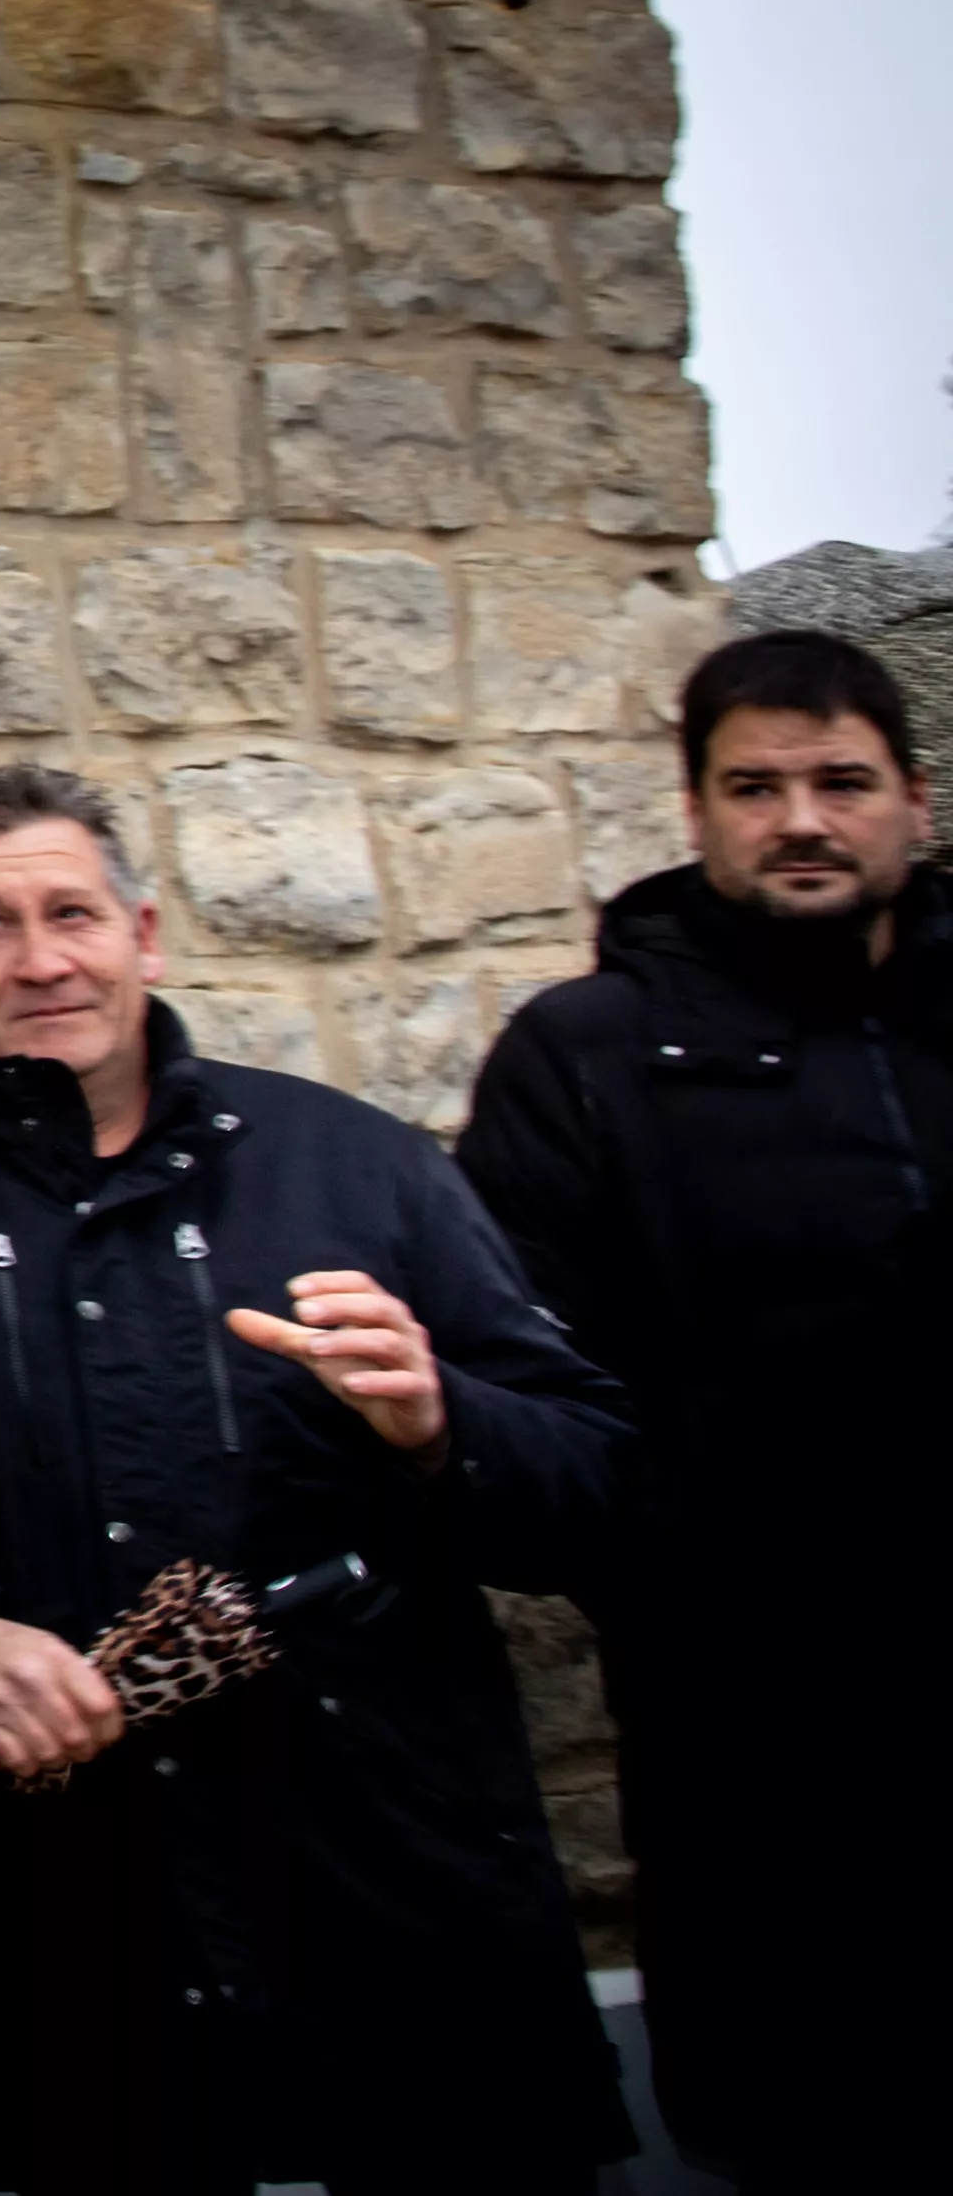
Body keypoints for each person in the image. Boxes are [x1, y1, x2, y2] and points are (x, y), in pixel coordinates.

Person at [0, 765, 633, 2196]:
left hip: (396, 1893)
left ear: (145, 934)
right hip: (65, 1937)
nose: (40, 961)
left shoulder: (361, 1168)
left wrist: (440, 1419)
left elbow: (598, 1494)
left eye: (73, 912)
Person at [458, 628, 949, 2192]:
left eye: (840, 782)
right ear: (695, 809)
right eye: (756, 786)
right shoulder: (584, 1060)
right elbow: (527, 1374)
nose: (800, 818)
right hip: (756, 1742)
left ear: (915, 804)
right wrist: (688, 1580)